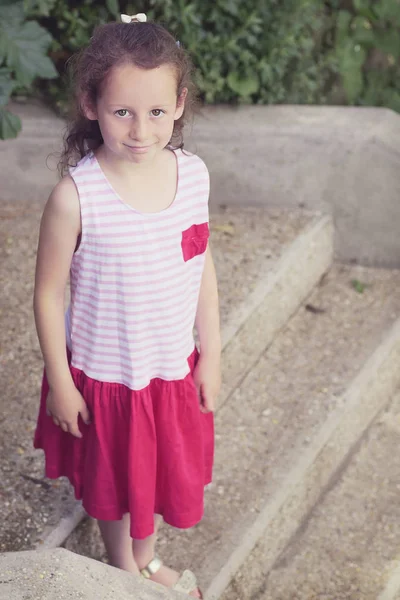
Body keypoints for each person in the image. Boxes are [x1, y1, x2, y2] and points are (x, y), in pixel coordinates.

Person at [33, 12, 221, 598]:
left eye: (157, 112)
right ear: (91, 104)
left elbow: (202, 263)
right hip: (108, 377)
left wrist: (210, 352)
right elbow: (46, 294)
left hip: (168, 369)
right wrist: (62, 384)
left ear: (180, 104)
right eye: (123, 112)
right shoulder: (77, 196)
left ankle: (145, 559)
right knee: (117, 481)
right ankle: (123, 566)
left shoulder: (192, 177)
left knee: (157, 473)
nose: (141, 130)